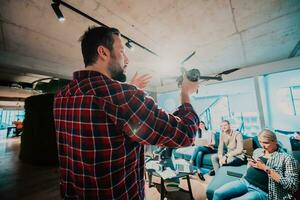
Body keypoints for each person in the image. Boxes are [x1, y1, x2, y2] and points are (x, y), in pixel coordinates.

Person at [53, 26, 199, 200]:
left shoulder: (62, 96)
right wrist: (185, 93)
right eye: (122, 51)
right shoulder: (123, 96)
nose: (126, 59)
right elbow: (185, 134)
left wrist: (130, 90)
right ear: (103, 52)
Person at [213, 129, 299, 200]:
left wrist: (265, 168)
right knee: (218, 193)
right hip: (244, 181)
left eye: (266, 143)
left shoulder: (286, 158)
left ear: (275, 141)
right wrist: (250, 164)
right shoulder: (258, 151)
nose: (263, 146)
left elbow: (292, 186)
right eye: (260, 142)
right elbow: (249, 168)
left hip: (262, 191)